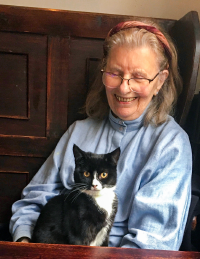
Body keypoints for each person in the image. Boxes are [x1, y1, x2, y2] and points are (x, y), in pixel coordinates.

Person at [9, 19, 192, 250]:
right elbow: (33, 201)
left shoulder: (171, 144)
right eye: (115, 73)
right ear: (104, 73)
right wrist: (25, 244)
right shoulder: (79, 131)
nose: (124, 88)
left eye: (138, 76)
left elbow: (152, 243)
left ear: (160, 82)